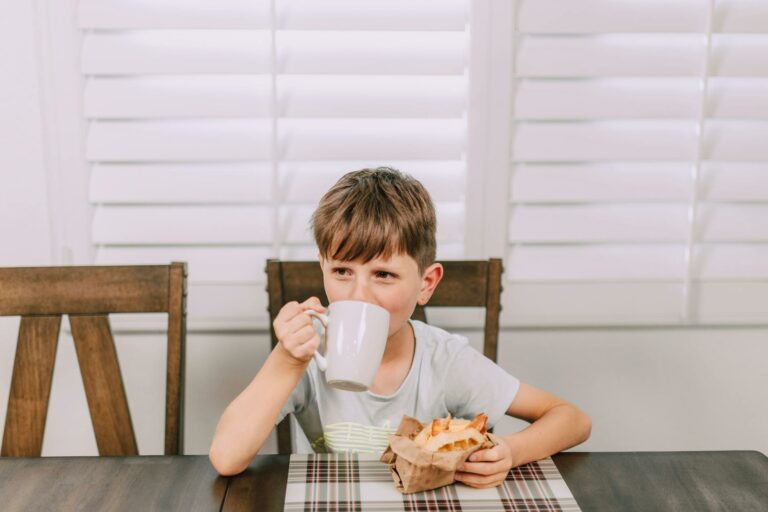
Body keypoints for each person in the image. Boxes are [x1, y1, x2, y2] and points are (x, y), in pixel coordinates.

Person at [209, 167, 591, 488]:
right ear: (322, 267)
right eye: (341, 271)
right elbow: (226, 457)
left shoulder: (443, 360)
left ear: (426, 284)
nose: (359, 295)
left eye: (383, 275)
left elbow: (572, 419)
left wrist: (511, 451)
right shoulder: (307, 354)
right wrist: (288, 359)